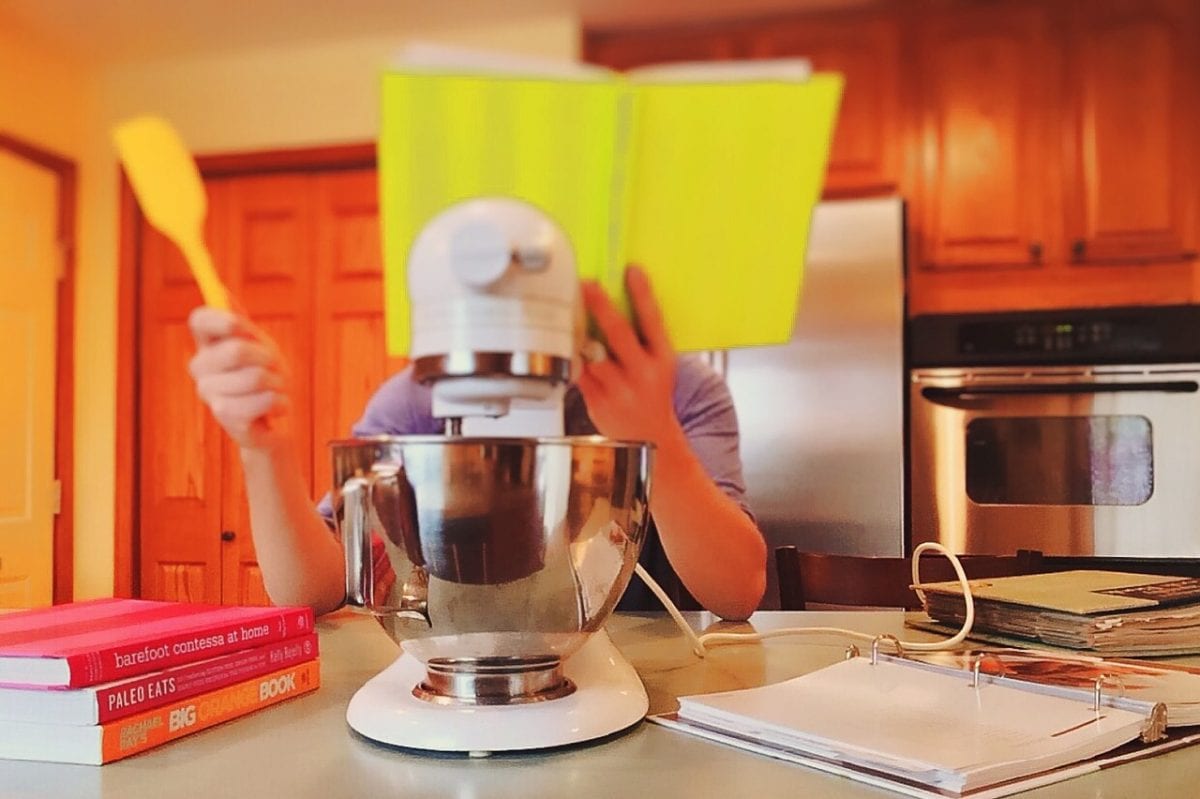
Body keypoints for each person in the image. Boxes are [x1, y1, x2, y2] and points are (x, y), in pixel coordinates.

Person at [187, 266, 767, 620]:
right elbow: (312, 590)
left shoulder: (678, 389)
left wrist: (654, 435)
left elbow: (736, 594)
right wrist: (265, 449)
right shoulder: (418, 399)